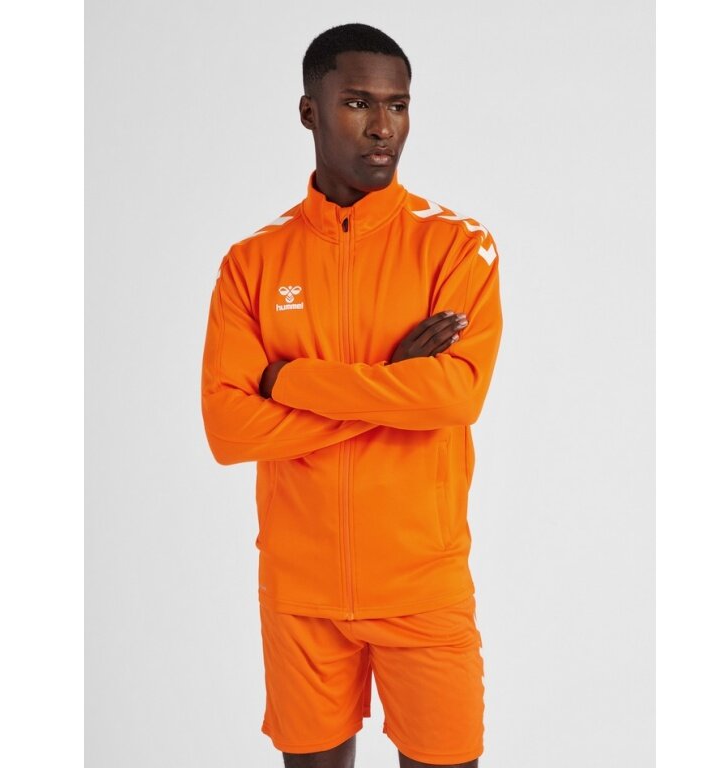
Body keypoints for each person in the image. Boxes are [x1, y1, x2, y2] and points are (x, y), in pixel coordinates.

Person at [201, 22, 503, 768]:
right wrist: (393, 382)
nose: (382, 127)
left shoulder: (457, 246)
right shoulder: (252, 263)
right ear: (310, 110)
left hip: (422, 587)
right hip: (300, 595)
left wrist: (291, 381)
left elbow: (454, 398)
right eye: (358, 102)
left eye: (398, 105)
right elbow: (230, 431)